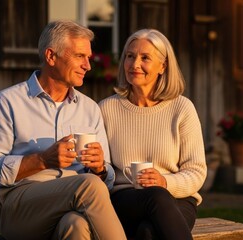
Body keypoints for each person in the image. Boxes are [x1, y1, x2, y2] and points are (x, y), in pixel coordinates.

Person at [0, 20, 126, 240]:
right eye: (79, 56)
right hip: (18, 207)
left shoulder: (89, 109)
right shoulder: (7, 102)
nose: (88, 65)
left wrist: (100, 169)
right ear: (51, 56)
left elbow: (106, 179)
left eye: (89, 57)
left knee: (75, 225)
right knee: (89, 185)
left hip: (71, 205)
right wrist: (42, 160)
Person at [98, 28, 207, 240]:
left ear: (163, 66)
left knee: (147, 233)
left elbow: (196, 171)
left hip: (177, 199)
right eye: (130, 56)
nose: (134, 64)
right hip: (125, 199)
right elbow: (102, 168)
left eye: (145, 58)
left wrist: (165, 182)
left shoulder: (182, 108)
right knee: (156, 197)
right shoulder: (106, 109)